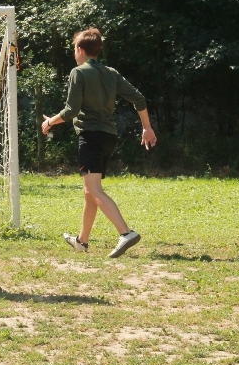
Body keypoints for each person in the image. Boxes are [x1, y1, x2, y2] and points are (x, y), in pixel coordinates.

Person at [41, 27, 157, 258]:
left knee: (93, 190)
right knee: (89, 192)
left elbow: (72, 110)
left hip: (90, 137)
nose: (74, 53)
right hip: (108, 137)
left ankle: (126, 233)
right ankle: (81, 241)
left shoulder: (79, 72)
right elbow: (139, 98)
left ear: (81, 50)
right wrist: (146, 127)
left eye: (75, 49)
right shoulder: (111, 72)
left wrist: (50, 123)